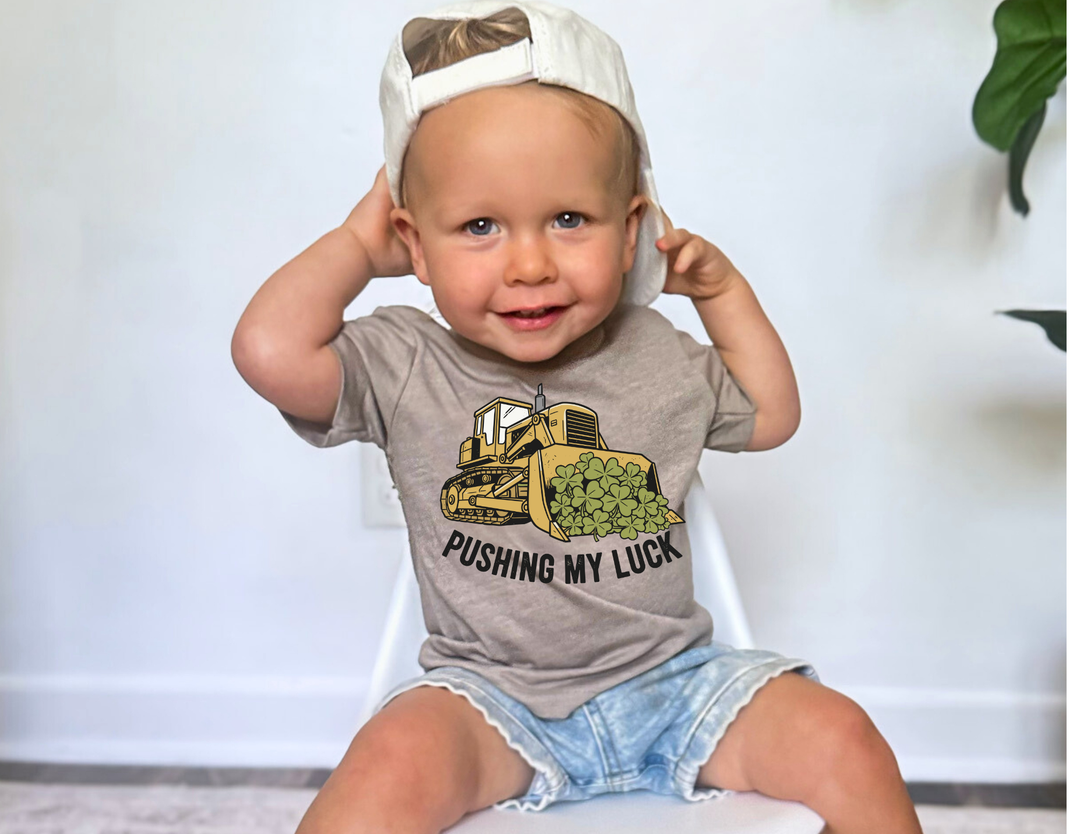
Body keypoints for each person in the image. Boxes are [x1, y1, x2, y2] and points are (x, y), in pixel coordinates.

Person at [231, 2, 922, 832]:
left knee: (845, 738)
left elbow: (773, 415)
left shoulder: (656, 353)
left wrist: (724, 295)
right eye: (479, 226)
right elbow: (268, 351)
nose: (530, 264)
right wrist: (352, 245)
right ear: (414, 245)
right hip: (489, 698)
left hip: (674, 682)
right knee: (386, 764)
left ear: (631, 230)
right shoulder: (407, 362)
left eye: (568, 220)